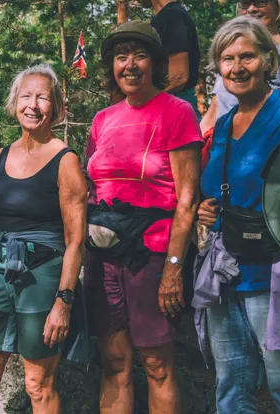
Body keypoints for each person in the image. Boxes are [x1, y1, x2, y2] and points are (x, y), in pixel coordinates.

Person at [194, 16, 280, 414]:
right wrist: (207, 207)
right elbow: (219, 184)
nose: (237, 67)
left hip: (277, 270)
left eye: (248, 56)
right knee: (231, 387)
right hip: (225, 272)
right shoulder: (222, 125)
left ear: (269, 61)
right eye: (228, 58)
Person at [83, 21, 201, 414]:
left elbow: (186, 200)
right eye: (120, 57)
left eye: (139, 55)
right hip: (103, 257)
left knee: (156, 364)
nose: (129, 65)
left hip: (151, 256)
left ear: (155, 62)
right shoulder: (102, 120)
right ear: (111, 66)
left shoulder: (177, 112)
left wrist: (172, 268)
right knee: (114, 362)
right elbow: (90, 189)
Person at [0, 64, 88, 414]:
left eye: (43, 97)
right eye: (26, 96)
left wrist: (64, 302)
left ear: (57, 107)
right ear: (15, 102)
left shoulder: (66, 160)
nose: (33, 105)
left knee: (38, 385)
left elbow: (76, 240)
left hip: (42, 278)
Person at [201, 0, 280, 132]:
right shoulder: (231, 54)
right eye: (245, 3)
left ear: (279, 6)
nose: (251, 9)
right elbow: (217, 107)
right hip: (222, 146)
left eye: (260, 1)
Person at [116, 0, 201, 115]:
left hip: (177, 108)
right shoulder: (164, 18)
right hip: (169, 103)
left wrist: (141, 102)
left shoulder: (172, 17)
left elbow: (179, 76)